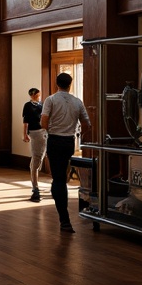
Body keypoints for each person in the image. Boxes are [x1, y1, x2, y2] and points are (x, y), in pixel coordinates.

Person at [40, 73, 90, 233]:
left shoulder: (51, 100)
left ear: (57, 84)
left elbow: (44, 121)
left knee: (58, 179)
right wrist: (76, 132)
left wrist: (53, 129)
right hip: (69, 141)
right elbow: (87, 124)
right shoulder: (77, 101)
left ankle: (64, 219)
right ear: (70, 84)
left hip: (55, 140)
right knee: (62, 177)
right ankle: (64, 218)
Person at [22, 87, 46, 202]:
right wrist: (25, 134)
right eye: (36, 94)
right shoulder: (28, 105)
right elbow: (25, 121)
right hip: (35, 132)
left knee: (39, 158)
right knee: (36, 158)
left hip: (44, 132)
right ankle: (35, 188)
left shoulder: (42, 105)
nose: (38, 95)